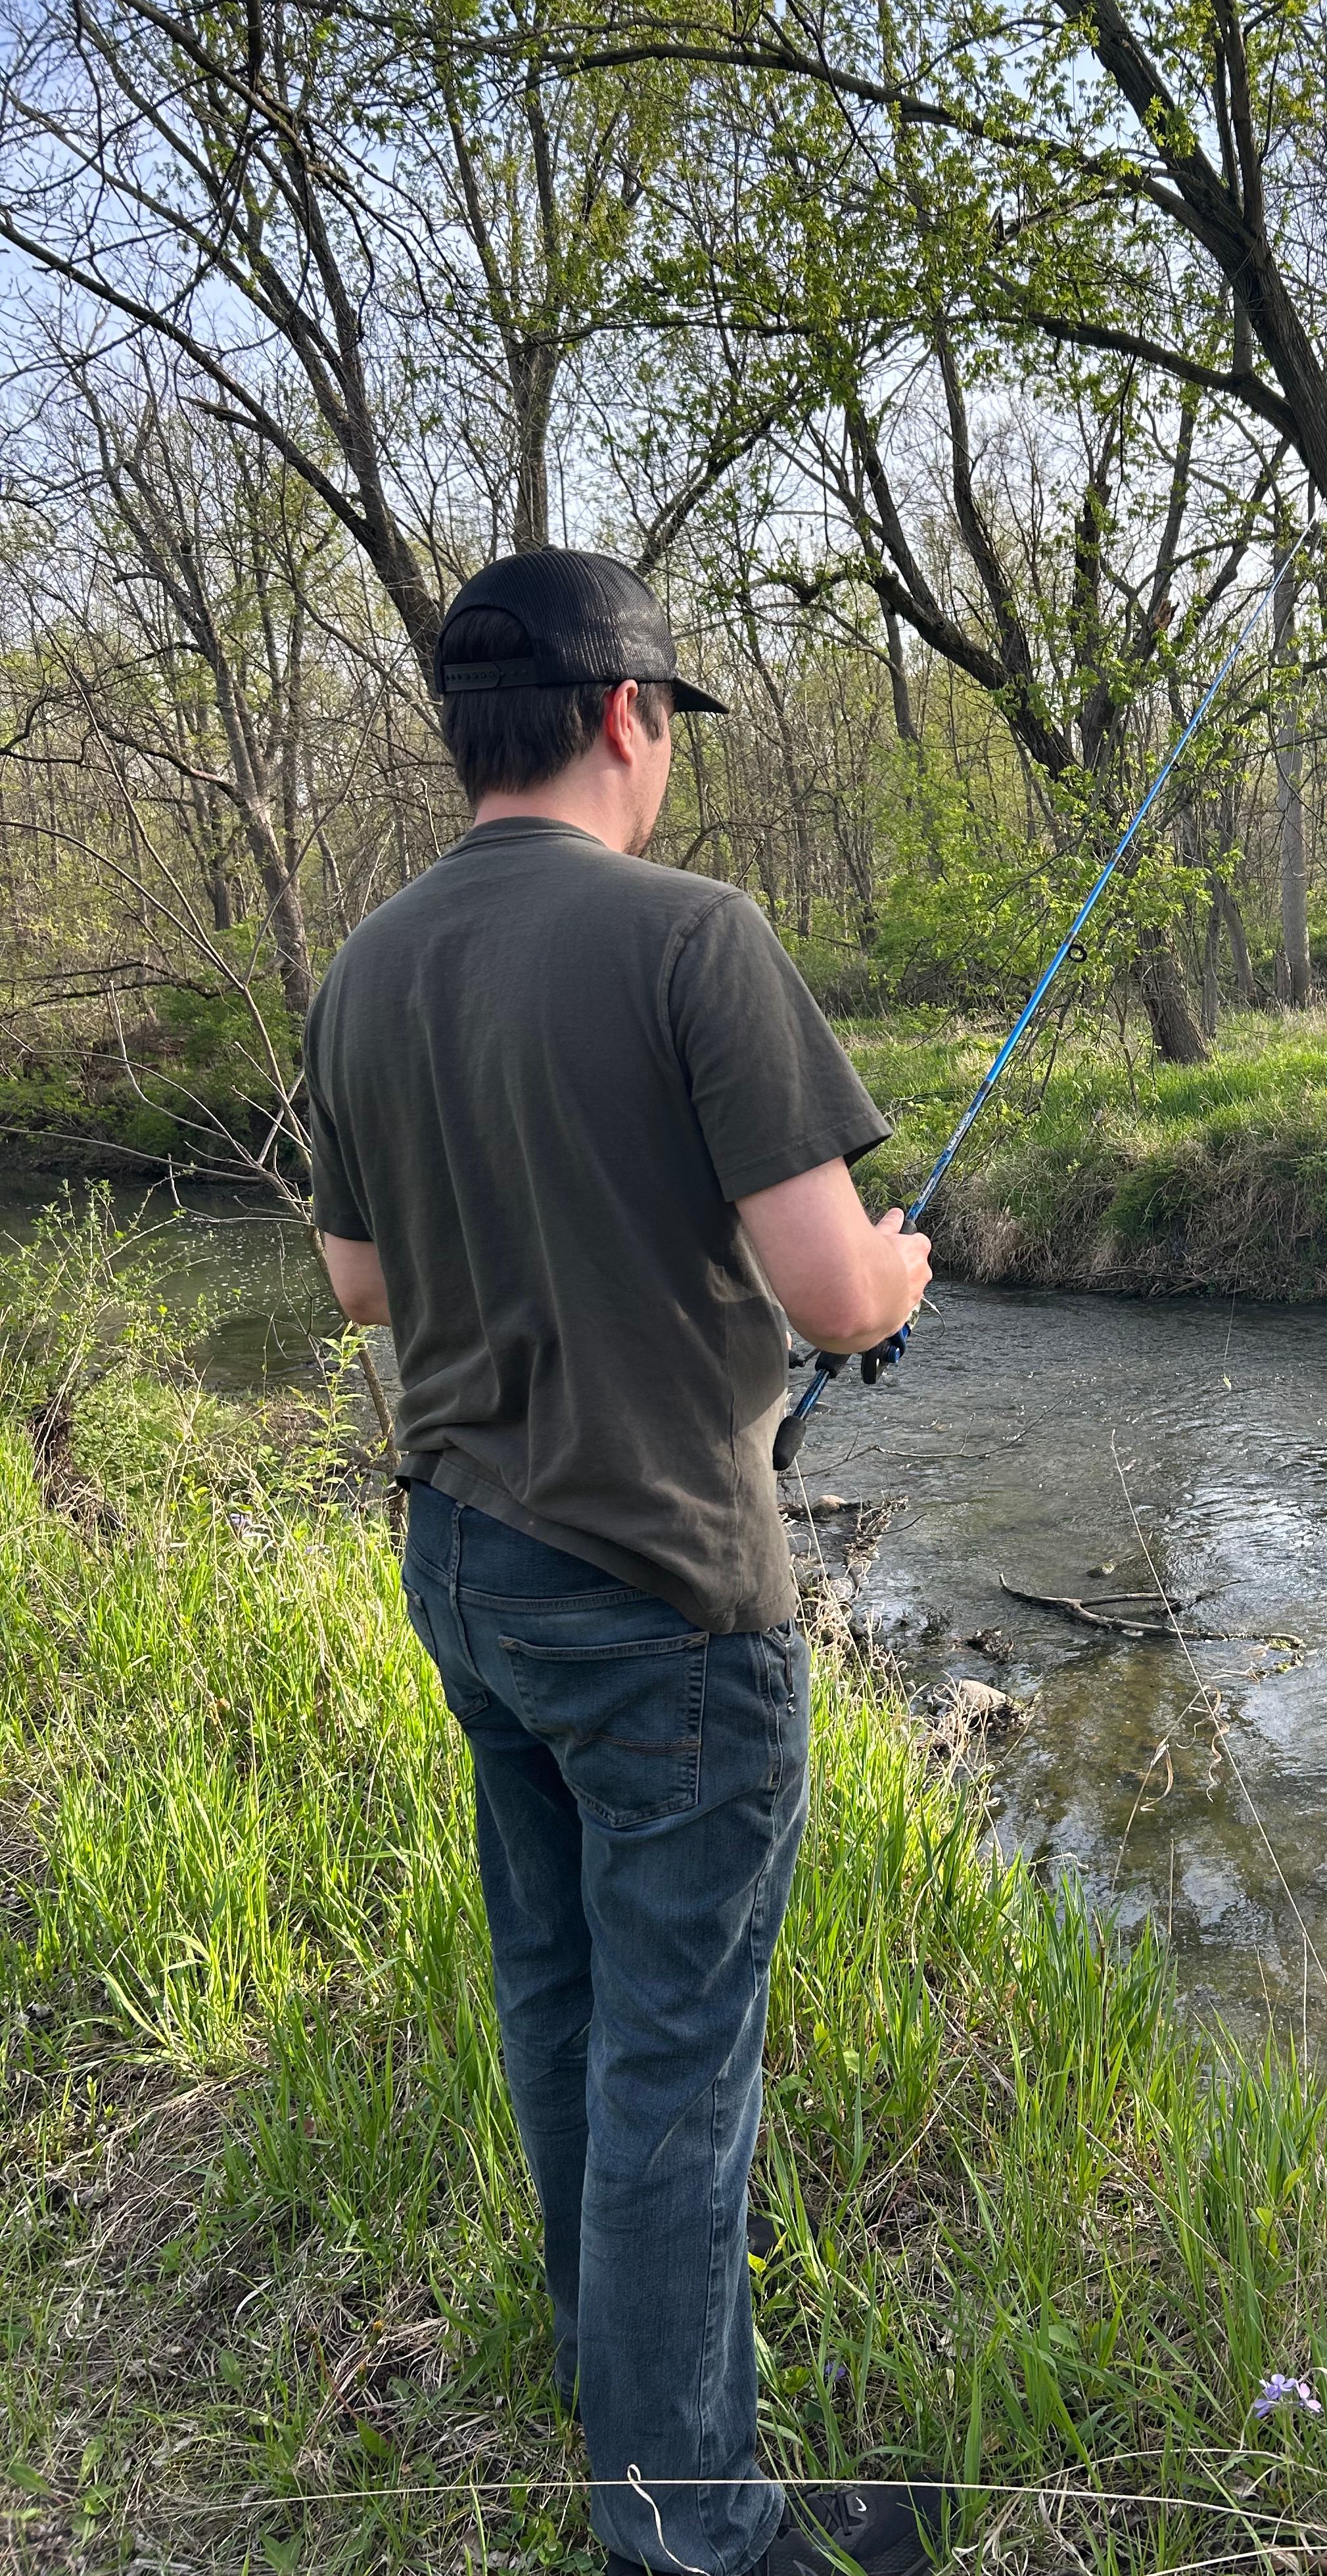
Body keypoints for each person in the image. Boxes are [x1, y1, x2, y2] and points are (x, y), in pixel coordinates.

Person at [304, 548, 939, 2576]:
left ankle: (629, 2430)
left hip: (467, 1574)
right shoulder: (695, 938)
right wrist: (903, 1266)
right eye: (668, 722)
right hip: (666, 1603)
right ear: (622, 718)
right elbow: (840, 1294)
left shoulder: (367, 968)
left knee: (562, 2008)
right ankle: (689, 2527)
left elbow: (353, 1284)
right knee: (677, 2065)